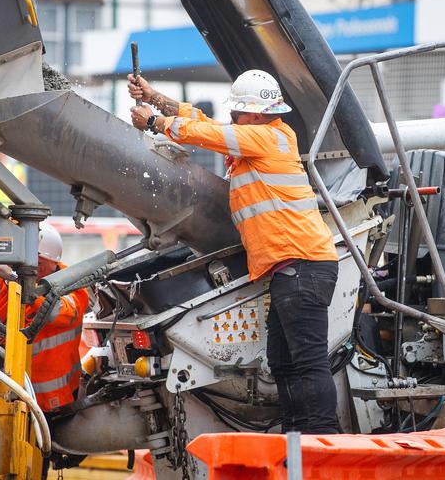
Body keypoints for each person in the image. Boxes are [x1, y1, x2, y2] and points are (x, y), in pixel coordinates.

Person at [127, 71, 340, 434]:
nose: (233, 118)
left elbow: (211, 134)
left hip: (302, 266)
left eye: (239, 112)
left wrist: (156, 122)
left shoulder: (268, 137)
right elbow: (207, 124)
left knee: (306, 361)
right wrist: (156, 97)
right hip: (294, 269)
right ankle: (297, 437)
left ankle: (321, 438)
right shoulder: (258, 141)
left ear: (256, 114)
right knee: (284, 361)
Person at [0, 223, 89, 411]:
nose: (34, 270)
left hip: (53, 399)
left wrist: (14, 278)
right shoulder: (16, 277)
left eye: (40, 263)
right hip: (13, 389)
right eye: (29, 263)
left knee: (50, 439)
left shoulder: (73, 286)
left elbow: (57, 313)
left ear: (54, 262)